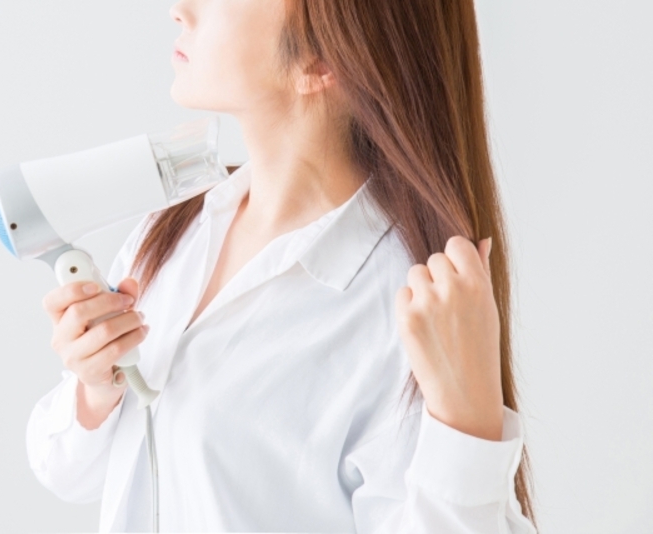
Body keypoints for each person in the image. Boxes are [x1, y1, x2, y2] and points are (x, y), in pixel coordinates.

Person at [26, 0, 538, 532]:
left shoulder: (398, 304)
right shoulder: (175, 230)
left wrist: (467, 425)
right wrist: (96, 387)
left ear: (321, 61)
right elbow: (65, 471)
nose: (179, 9)